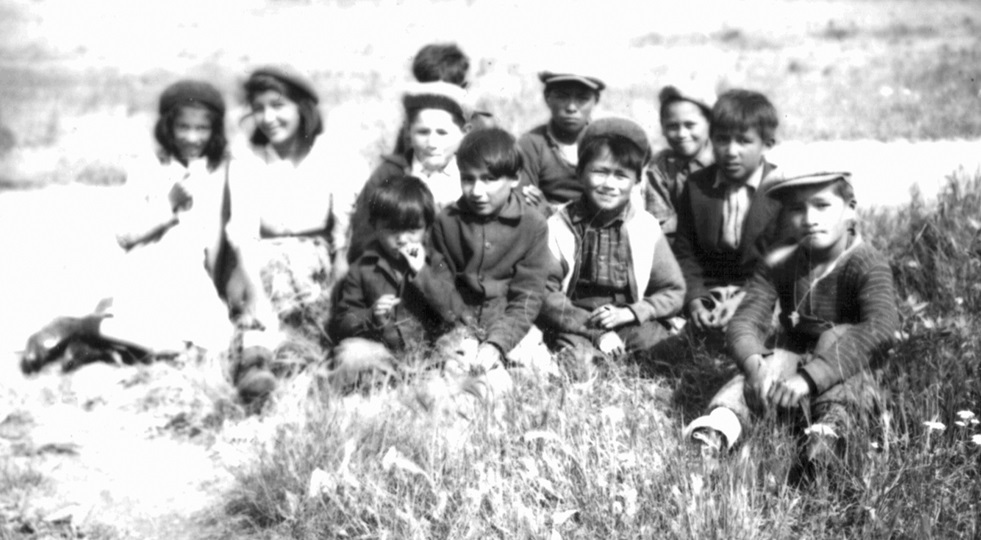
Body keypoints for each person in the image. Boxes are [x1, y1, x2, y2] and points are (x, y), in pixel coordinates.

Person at [683, 171, 900, 473]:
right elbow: (746, 320)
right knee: (768, 364)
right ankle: (719, 430)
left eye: (822, 206)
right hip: (791, 373)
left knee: (841, 345)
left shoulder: (867, 263)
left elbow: (880, 326)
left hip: (846, 369)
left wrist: (811, 378)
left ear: (850, 209)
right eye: (797, 209)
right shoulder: (780, 262)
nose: (810, 218)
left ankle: (828, 440)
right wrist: (754, 365)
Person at [21, 79, 234, 373]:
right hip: (150, 273)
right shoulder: (150, 167)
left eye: (202, 129)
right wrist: (168, 204)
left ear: (215, 131)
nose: (192, 137)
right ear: (168, 128)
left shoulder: (218, 170)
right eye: (183, 127)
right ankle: (76, 326)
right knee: (166, 343)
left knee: (213, 343)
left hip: (192, 279)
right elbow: (124, 234)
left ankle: (98, 345)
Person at [224, 65, 362, 401]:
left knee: (320, 327)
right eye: (259, 109)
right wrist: (254, 292)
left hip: (318, 263)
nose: (268, 117)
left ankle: (303, 363)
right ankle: (256, 368)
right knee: (260, 315)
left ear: (302, 106)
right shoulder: (248, 159)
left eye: (278, 105)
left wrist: (340, 272)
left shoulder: (333, 153)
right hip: (263, 262)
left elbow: (347, 222)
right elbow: (243, 233)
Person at [540, 118, 686, 364]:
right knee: (578, 364)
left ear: (637, 182)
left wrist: (632, 312)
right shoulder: (558, 226)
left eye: (621, 176)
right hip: (575, 322)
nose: (609, 185)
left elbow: (673, 290)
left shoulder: (644, 227)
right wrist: (595, 331)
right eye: (599, 172)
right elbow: (545, 293)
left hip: (626, 319)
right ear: (579, 173)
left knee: (670, 355)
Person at [430, 128, 552, 392]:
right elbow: (442, 287)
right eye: (468, 179)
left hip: (509, 321)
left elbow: (527, 297)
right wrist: (465, 332)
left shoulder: (532, 224)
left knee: (535, 377)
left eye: (489, 180)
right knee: (459, 375)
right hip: (461, 323)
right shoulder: (447, 221)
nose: (476, 191)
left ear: (515, 178)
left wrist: (498, 342)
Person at [328, 175, 470, 384]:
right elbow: (342, 322)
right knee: (350, 353)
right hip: (386, 356)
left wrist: (421, 272)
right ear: (375, 226)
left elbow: (453, 311)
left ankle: (430, 382)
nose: (402, 239)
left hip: (430, 354)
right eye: (392, 230)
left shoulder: (435, 261)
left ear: (427, 228)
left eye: (412, 230)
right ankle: (388, 384)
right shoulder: (362, 267)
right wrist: (371, 315)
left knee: (460, 346)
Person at [672, 89, 783, 336]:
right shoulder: (696, 185)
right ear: (711, 140)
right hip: (710, 290)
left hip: (762, 291)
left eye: (744, 141)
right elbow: (685, 252)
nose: (731, 151)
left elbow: (783, 262)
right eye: (722, 140)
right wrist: (695, 300)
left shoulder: (781, 191)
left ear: (767, 144)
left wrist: (744, 298)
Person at [348, 82, 470, 262]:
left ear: (464, 133)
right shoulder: (389, 173)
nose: (432, 143)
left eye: (443, 133)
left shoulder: (471, 175)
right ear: (408, 132)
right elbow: (363, 236)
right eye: (422, 132)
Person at [517, 71, 605, 210]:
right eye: (562, 97)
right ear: (547, 97)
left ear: (596, 100)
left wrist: (550, 210)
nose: (571, 108)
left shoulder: (605, 143)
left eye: (582, 98)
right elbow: (523, 201)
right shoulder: (531, 144)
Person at [644, 83, 716, 242]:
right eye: (672, 126)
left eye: (690, 125)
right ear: (662, 128)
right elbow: (661, 223)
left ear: (709, 124)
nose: (682, 134)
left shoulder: (723, 160)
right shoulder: (661, 167)